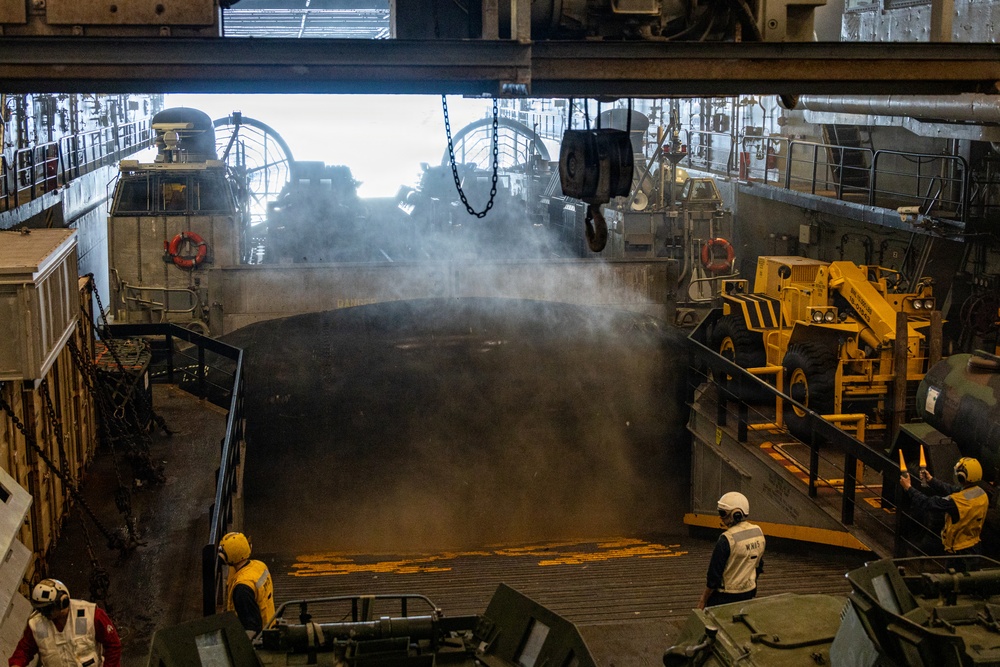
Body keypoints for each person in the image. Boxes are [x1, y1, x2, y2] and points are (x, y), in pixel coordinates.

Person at [8, 578, 121, 667]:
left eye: (47, 609)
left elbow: (113, 646)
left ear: (63, 602)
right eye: (40, 609)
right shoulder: (38, 624)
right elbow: (24, 650)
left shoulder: (90, 615)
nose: (43, 614)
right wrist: (16, 664)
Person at [901, 456, 989, 556]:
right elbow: (952, 489)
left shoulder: (955, 502)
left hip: (958, 552)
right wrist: (931, 480)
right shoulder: (981, 494)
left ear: (961, 477)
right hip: (974, 546)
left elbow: (927, 503)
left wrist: (909, 488)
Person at [698, 491, 766, 609]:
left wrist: (703, 600)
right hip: (749, 591)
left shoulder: (727, 539)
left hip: (726, 595)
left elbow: (714, 577)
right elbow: (758, 566)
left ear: (735, 514)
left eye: (723, 513)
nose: (720, 517)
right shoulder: (758, 532)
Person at [219, 531, 275, 633]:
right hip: (270, 626)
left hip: (259, 638)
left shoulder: (242, 587)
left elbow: (251, 626)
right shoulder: (260, 565)